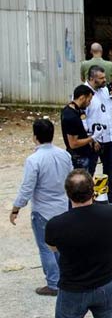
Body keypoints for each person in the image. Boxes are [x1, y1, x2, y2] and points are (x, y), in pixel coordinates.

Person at [45, 169, 112, 318]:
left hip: (73, 290)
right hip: (106, 286)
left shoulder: (56, 224)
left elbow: (53, 247)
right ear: (93, 190)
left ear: (68, 193)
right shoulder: (111, 213)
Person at [10, 119, 72, 296]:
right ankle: (64, 279)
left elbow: (27, 188)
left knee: (46, 248)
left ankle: (53, 283)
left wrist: (16, 208)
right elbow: (71, 178)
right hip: (62, 207)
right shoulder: (64, 155)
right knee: (61, 246)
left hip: (43, 211)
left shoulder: (33, 160)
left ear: (34, 137)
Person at [84, 65, 112, 205]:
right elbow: (82, 118)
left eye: (104, 77)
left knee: (109, 166)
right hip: (94, 138)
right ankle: (88, 197)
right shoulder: (83, 93)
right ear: (91, 78)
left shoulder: (105, 89)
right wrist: (90, 137)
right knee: (90, 168)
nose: (104, 80)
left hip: (108, 136)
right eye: (101, 78)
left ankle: (110, 194)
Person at [61, 85, 103, 169]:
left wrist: (92, 141)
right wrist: (92, 138)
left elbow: (81, 130)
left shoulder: (75, 110)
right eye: (89, 100)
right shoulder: (71, 117)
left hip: (83, 155)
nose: (89, 103)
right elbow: (73, 143)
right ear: (82, 98)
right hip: (79, 158)